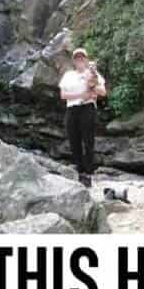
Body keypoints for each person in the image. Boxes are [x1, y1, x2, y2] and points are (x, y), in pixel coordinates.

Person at [59, 48, 106, 186]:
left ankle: (89, 172)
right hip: (72, 108)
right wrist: (82, 95)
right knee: (74, 141)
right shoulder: (68, 75)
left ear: (86, 59)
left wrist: (92, 87)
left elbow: (102, 92)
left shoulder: (93, 73)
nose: (80, 60)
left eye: (82, 57)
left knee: (88, 141)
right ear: (73, 61)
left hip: (87, 108)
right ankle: (80, 171)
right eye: (77, 58)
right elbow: (63, 95)